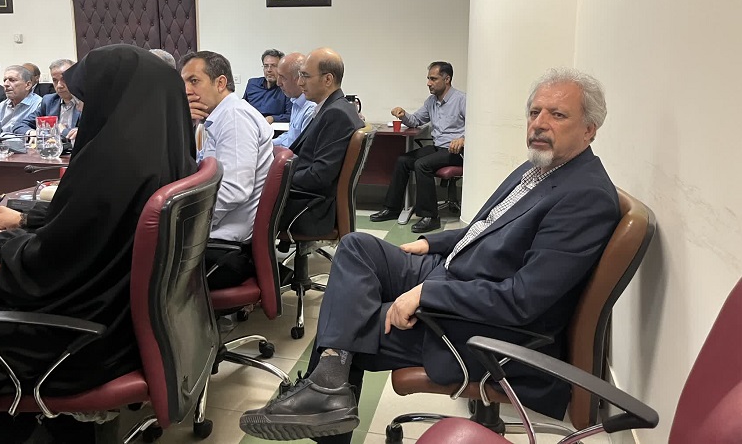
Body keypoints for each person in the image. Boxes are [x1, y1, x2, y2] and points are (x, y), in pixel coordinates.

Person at [239, 68, 621, 443]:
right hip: (456, 272)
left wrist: (427, 294)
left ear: (590, 129)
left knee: (353, 323)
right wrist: (433, 243)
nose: (539, 123)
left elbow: (524, 301)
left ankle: (324, 392)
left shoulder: (584, 197)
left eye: (557, 115)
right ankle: (326, 387)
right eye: (535, 112)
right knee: (357, 247)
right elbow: (487, 227)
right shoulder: (544, 167)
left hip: (482, 326)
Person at [0, 44, 196, 442]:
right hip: (129, 324)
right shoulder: (167, 150)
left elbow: (55, 261)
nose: (83, 108)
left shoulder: (113, 161)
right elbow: (85, 233)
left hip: (82, 340)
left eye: (89, 98)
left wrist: (6, 244)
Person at [180, 50, 274, 290]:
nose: (187, 90)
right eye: (184, 82)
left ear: (220, 83)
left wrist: (188, 225)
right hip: (220, 237)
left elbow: (234, 190)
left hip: (225, 250)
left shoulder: (234, 117)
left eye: (194, 81)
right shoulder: (215, 118)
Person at [371, 62, 466, 233]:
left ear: (447, 79)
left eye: (433, 79)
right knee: (403, 160)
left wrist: (463, 139)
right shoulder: (431, 102)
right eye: (428, 79)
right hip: (438, 147)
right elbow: (416, 120)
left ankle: (431, 217)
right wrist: (403, 115)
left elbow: (477, 126)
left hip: (456, 152)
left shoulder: (461, 100)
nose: (428, 83)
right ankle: (392, 208)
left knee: (422, 164)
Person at [280, 48, 362, 237]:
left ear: (328, 79)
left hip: (310, 209)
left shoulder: (336, 114)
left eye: (306, 76)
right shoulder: (334, 108)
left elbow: (319, 176)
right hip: (309, 201)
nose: (300, 82)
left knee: (246, 206)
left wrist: (277, 178)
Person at [14, 59, 81, 139]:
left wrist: (63, 131)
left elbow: (88, 134)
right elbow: (19, 125)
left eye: (64, 79)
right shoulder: (49, 101)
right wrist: (33, 133)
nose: (59, 85)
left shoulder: (85, 102)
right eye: (55, 80)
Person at [273, 52, 316, 148]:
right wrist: (268, 144)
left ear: (299, 79)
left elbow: (301, 150)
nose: (278, 83)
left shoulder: (311, 110)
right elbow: (290, 136)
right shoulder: (296, 102)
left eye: (282, 77)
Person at [243, 49, 292, 123]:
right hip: (250, 125)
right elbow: (242, 107)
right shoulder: (252, 84)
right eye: (266, 66)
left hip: (273, 127)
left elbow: (291, 115)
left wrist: (272, 118)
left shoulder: (286, 88)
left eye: (273, 66)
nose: (269, 70)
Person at [0, 65, 42, 137]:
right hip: (1, 143)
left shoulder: (39, 105)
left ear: (28, 85)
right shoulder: (1, 107)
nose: (6, 84)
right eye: (5, 80)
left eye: (12, 80)